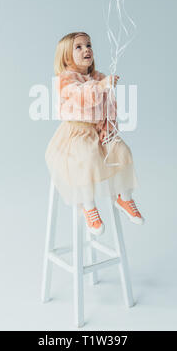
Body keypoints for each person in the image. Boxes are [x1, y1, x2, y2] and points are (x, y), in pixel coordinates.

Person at [45, 31, 144, 236]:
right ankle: (88, 206)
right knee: (86, 157)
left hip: (96, 129)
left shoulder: (98, 77)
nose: (87, 49)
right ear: (66, 57)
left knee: (121, 150)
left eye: (88, 45)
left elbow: (109, 106)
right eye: (79, 47)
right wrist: (101, 86)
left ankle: (124, 197)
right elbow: (80, 96)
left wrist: (108, 127)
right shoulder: (65, 79)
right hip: (75, 133)